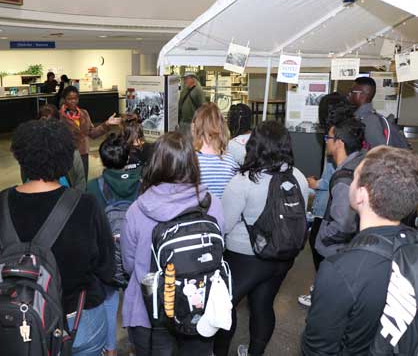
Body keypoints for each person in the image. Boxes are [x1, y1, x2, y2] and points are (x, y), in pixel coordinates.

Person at [0, 119, 115, 355]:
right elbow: (106, 268)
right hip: (78, 320)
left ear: (20, 157)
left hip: (17, 321)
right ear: (66, 159)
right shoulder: (86, 205)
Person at [302, 146, 418, 355]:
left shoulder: (340, 270)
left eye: (354, 177)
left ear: (361, 195)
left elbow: (317, 348)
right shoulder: (412, 246)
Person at [121, 132, 224, 356]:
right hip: (200, 305)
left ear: (155, 164)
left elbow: (129, 266)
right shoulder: (212, 204)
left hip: (151, 312)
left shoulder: (137, 210)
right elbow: (218, 250)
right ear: (192, 163)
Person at [213, 121, 309, 356]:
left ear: (254, 145)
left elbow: (224, 223)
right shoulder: (298, 177)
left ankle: (219, 352)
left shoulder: (244, 181)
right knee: (263, 305)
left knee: (225, 306)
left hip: (245, 257)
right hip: (283, 256)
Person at [87, 133, 142, 356]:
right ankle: (134, 346)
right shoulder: (142, 184)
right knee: (136, 302)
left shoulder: (93, 187)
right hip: (135, 255)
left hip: (106, 257)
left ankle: (109, 350)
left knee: (109, 302)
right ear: (127, 157)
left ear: (102, 160)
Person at [298, 96, 353, 307]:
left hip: (328, 204)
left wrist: (315, 183)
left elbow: (332, 178)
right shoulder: (348, 133)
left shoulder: (336, 138)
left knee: (320, 246)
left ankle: (322, 292)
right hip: (336, 203)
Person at [314, 117, 365, 260]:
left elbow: (343, 226)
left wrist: (322, 237)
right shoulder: (360, 162)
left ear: (339, 143)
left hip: (337, 253)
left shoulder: (344, 180)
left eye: (328, 137)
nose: (326, 141)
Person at [59, 86, 121, 181]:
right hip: (68, 155)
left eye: (75, 98)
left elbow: (92, 133)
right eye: (69, 99)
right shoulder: (59, 116)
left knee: (83, 181)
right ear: (64, 99)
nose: (73, 101)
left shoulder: (84, 113)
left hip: (83, 153)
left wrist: (106, 124)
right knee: (70, 182)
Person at [192, 102, 239, 199]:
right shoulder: (231, 162)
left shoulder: (189, 162)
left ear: (194, 127)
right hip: (222, 213)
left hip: (196, 213)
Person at [34, 103, 86, 191]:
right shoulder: (30, 153)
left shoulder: (71, 151)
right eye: (43, 122)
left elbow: (80, 182)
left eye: (51, 123)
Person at [349, 76, 387, 149]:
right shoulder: (360, 116)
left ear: (362, 95)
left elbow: (380, 152)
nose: (349, 94)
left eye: (352, 91)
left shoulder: (370, 121)